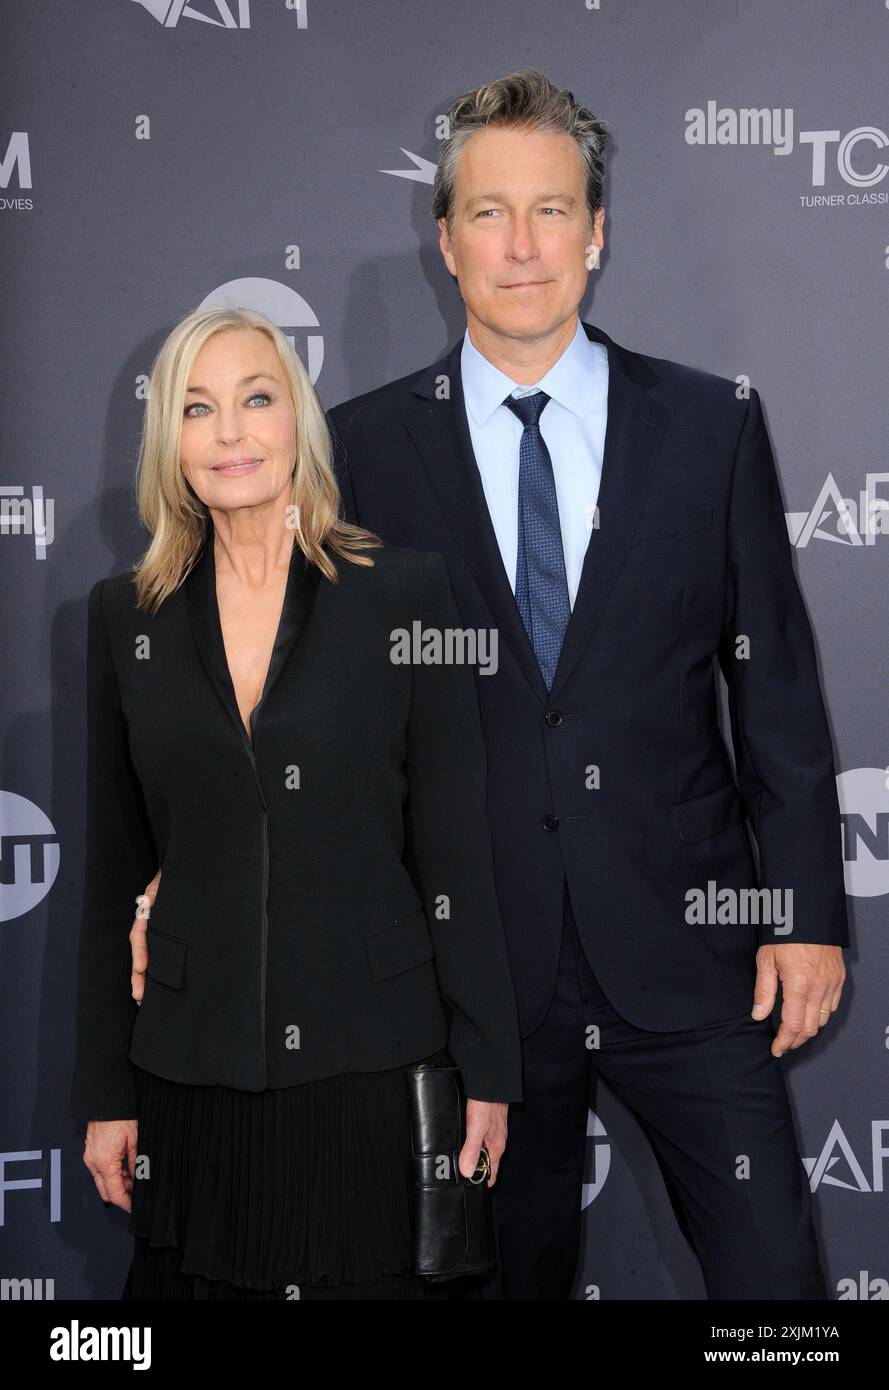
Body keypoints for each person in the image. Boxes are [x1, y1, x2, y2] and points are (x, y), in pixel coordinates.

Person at [323, 69, 850, 1299]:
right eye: (490, 213)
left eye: (552, 211)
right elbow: (334, 722)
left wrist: (807, 909)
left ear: (597, 232)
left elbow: (772, 686)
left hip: (692, 952)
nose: (521, 245)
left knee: (777, 1288)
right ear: (443, 236)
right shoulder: (357, 449)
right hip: (473, 976)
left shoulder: (708, 426)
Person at [69, 304, 523, 1301]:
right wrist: (106, 1093)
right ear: (169, 440)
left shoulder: (402, 593)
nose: (229, 432)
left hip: (371, 1063)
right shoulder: (122, 617)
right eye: (198, 407)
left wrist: (488, 1065)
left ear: (298, 422)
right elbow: (111, 873)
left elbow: (454, 848)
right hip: (193, 1071)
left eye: (255, 398)